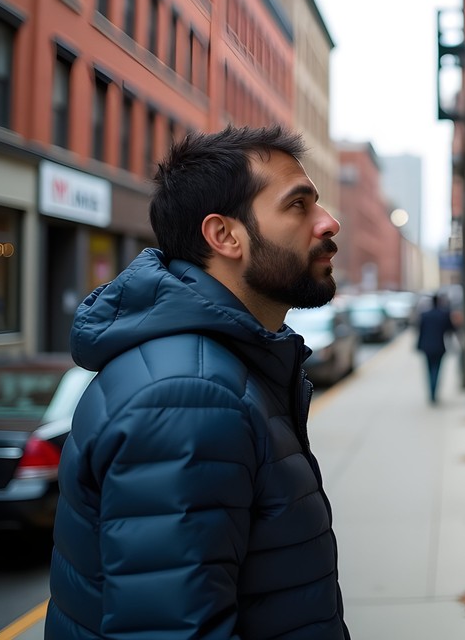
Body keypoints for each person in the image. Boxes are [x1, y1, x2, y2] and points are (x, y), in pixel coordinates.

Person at [46, 127, 351, 639]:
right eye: (298, 205)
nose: (328, 221)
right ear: (225, 236)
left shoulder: (225, 368)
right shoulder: (191, 396)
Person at [415, 292, 457, 404]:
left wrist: (418, 346)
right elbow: (451, 329)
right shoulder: (444, 314)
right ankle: (434, 392)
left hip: (426, 347)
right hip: (439, 346)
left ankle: (431, 393)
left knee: (429, 370)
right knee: (436, 370)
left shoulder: (425, 315)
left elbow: (420, 332)